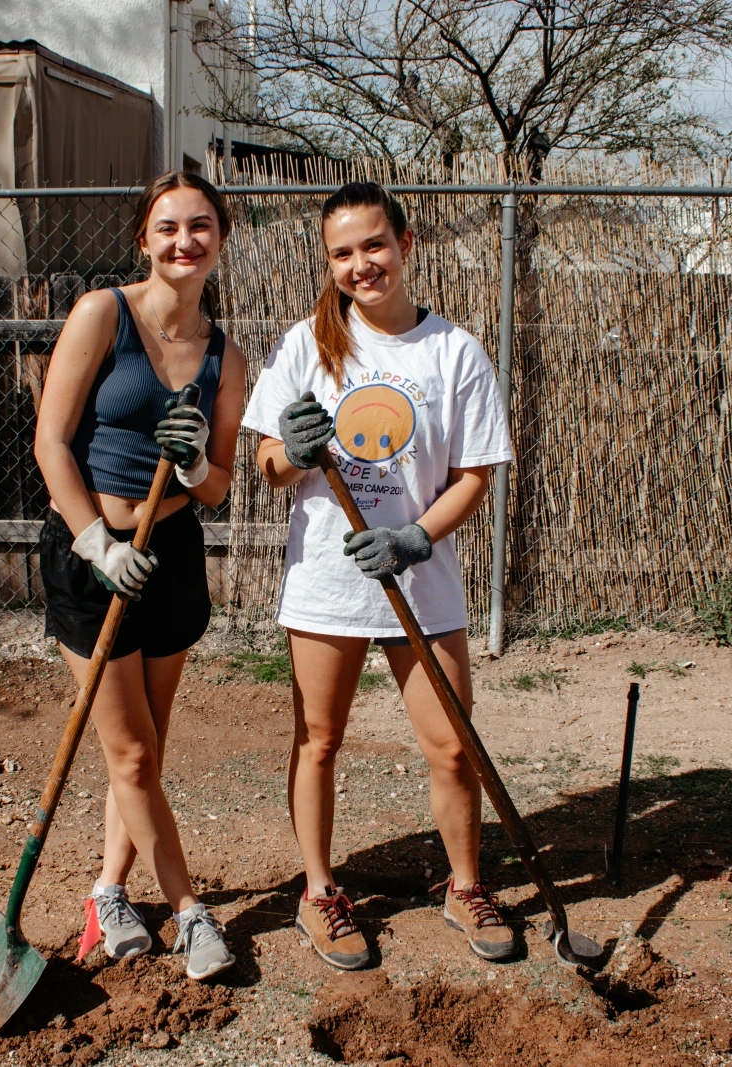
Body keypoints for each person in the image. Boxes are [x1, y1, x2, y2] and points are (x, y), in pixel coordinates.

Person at [241, 181, 516, 970]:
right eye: (342, 253)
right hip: (328, 578)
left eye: (374, 245)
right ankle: (319, 892)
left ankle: (465, 886)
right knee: (318, 741)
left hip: (418, 580)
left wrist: (415, 538)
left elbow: (473, 473)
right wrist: (290, 451)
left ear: (405, 244)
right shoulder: (306, 345)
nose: (362, 264)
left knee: (452, 744)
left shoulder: (452, 350)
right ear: (328, 264)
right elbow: (264, 465)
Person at [33, 170, 246, 980]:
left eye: (200, 226)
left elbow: (220, 484)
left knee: (146, 750)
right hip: (94, 557)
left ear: (219, 239)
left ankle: (108, 891)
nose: (184, 241)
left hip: (171, 553)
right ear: (143, 240)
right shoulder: (102, 314)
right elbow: (52, 441)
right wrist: (95, 542)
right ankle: (191, 911)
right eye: (167, 228)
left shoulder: (225, 355)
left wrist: (193, 460)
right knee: (131, 754)